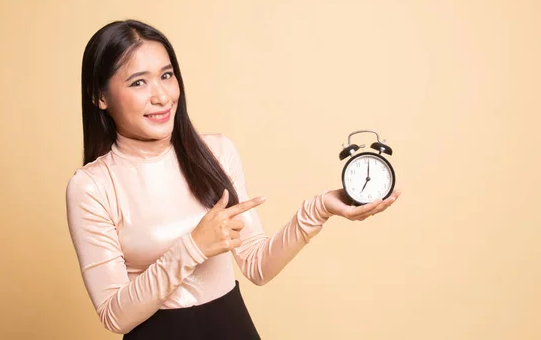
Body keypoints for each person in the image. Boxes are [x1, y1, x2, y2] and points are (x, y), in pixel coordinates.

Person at [65, 19, 401, 339]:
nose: (162, 96)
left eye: (167, 76)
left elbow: (257, 266)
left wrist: (318, 210)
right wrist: (193, 246)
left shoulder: (217, 152)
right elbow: (114, 315)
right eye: (139, 82)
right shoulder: (92, 186)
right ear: (100, 96)